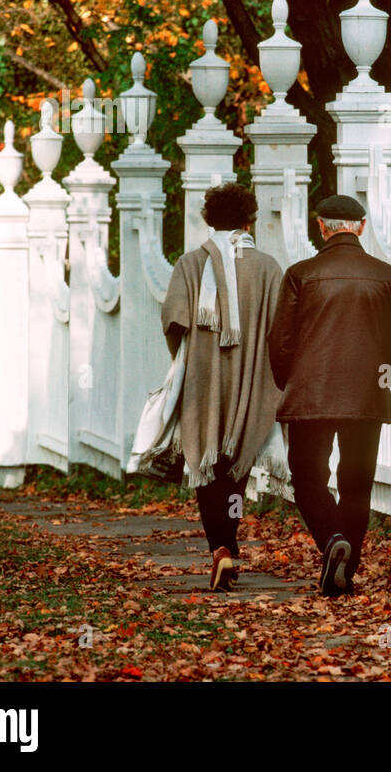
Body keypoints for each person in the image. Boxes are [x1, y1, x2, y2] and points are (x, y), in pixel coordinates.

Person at [268, 194, 391, 598]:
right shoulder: (387, 276)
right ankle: (344, 572)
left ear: (321, 226)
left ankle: (332, 540)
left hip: (310, 398)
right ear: (362, 227)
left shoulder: (301, 274)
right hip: (366, 398)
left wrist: (291, 384)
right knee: (357, 484)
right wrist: (383, 378)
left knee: (308, 479)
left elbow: (280, 343)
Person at [161, 182, 283, 592]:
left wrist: (194, 351)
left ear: (209, 219)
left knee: (205, 468)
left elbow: (173, 322)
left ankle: (221, 549)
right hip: (251, 380)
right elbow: (280, 331)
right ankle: (229, 545)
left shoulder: (192, 264)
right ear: (250, 220)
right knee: (236, 471)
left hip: (203, 380)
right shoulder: (267, 268)